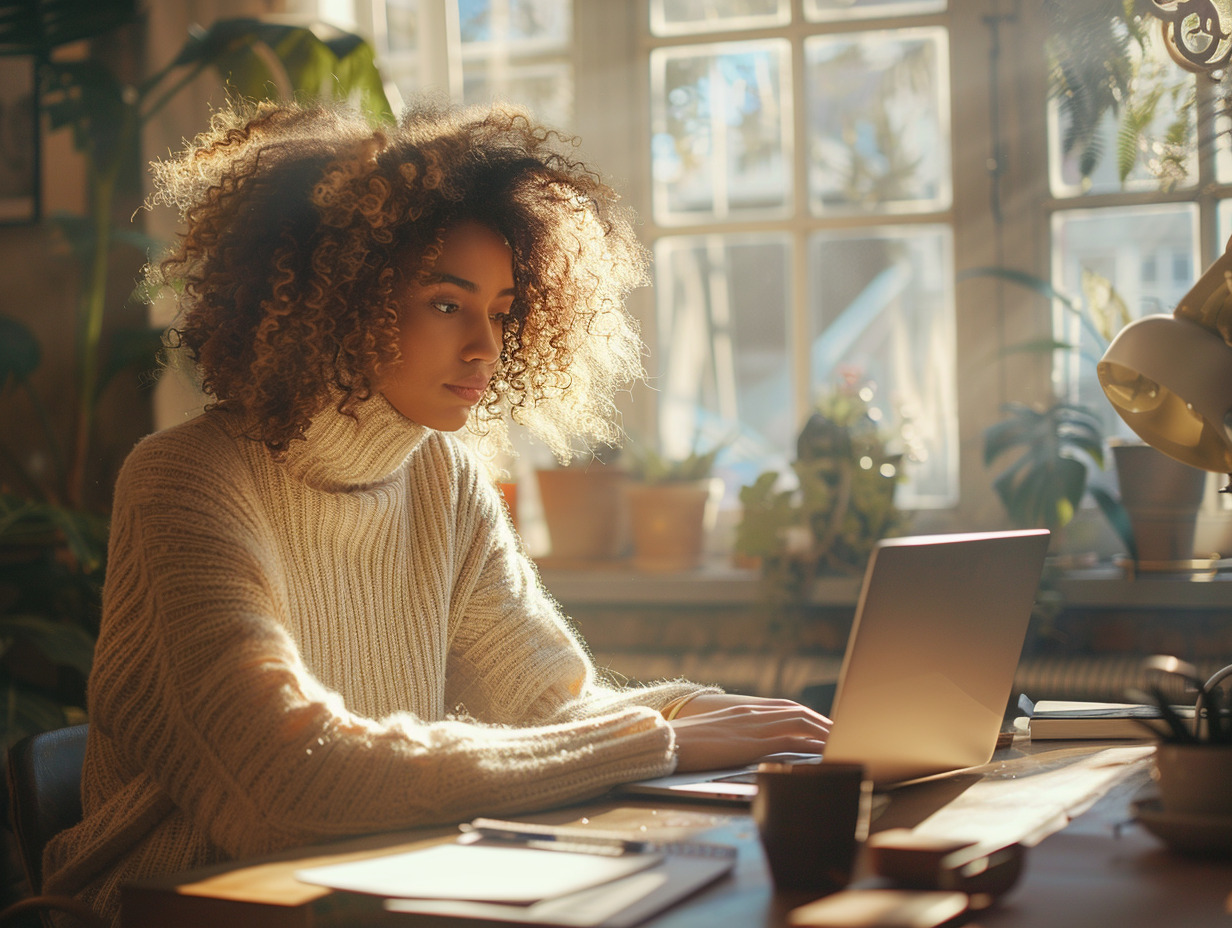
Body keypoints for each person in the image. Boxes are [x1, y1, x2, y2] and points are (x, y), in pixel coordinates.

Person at [41, 99, 831, 925]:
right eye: (449, 304)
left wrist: (715, 716)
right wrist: (660, 738)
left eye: (499, 311)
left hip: (366, 894)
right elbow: (283, 785)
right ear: (340, 299)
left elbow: (552, 710)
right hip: (173, 909)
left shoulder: (443, 477)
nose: (487, 347)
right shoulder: (185, 481)